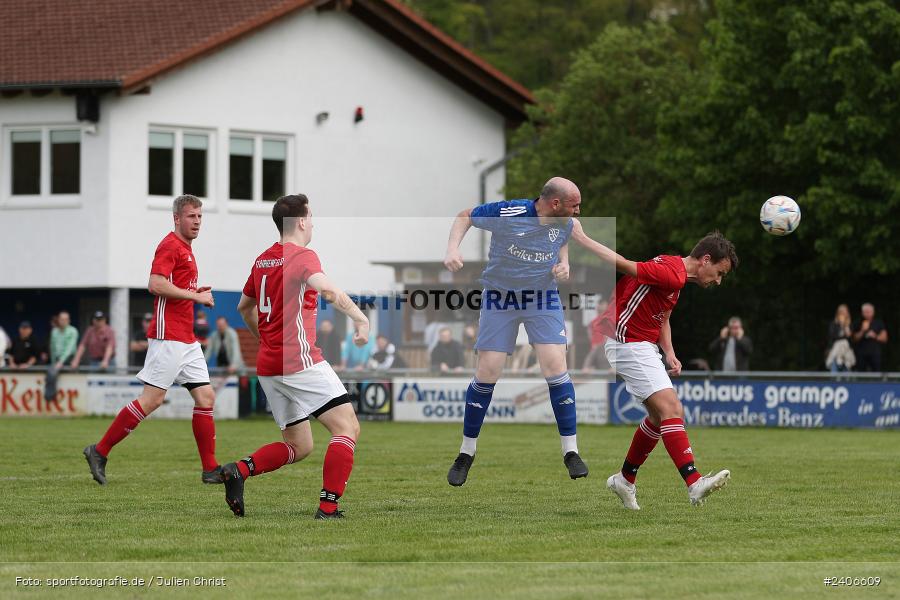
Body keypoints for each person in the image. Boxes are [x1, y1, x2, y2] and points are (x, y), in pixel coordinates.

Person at [222, 194, 368, 520]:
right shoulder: (302, 256)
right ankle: (328, 508)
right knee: (347, 428)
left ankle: (238, 471)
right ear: (301, 221)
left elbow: (243, 308)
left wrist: (264, 338)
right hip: (299, 362)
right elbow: (328, 291)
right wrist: (361, 318)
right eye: (311, 217)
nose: (313, 223)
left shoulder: (262, 260)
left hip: (269, 365)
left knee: (299, 446)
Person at [572, 223, 735, 509]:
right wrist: (582, 238)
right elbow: (623, 264)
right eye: (720, 273)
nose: (719, 281)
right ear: (705, 260)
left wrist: (669, 352)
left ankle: (624, 480)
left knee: (660, 418)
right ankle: (694, 483)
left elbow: (662, 318)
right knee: (672, 409)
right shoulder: (671, 274)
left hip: (640, 344)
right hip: (627, 341)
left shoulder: (677, 277)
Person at [443, 177, 587, 486]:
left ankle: (571, 451)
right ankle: (466, 453)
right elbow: (465, 215)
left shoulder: (566, 223)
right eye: (575, 205)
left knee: (555, 367)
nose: (579, 212)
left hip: (542, 298)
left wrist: (564, 263)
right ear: (555, 204)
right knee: (488, 371)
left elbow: (562, 239)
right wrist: (452, 249)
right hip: (500, 297)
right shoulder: (509, 212)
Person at [84, 195, 219, 486]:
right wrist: (195, 296)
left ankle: (210, 469)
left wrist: (195, 290)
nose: (196, 222)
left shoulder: (187, 249)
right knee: (153, 399)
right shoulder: (170, 245)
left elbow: (176, 286)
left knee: (206, 397)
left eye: (199, 217)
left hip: (187, 338)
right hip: (169, 335)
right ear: (176, 218)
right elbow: (155, 284)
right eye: (191, 216)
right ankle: (99, 450)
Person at [851, 303, 888, 372]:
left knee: (876, 373)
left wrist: (875, 336)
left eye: (869, 312)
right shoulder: (857, 322)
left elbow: (885, 338)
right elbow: (854, 339)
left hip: (875, 353)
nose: (867, 314)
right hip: (861, 354)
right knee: (860, 374)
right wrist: (862, 331)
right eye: (865, 312)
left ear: (873, 312)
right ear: (862, 313)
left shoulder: (878, 323)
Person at [581, 300, 610, 371]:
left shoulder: (611, 322)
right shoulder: (592, 323)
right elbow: (590, 336)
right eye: (601, 305)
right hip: (597, 352)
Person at [825, 304, 854, 373]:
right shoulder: (833, 324)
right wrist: (840, 325)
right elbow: (832, 336)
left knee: (846, 368)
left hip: (846, 351)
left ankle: (847, 383)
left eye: (844, 312)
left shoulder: (850, 324)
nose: (843, 314)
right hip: (835, 350)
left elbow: (850, 337)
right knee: (834, 368)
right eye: (841, 312)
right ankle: (834, 383)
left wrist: (844, 325)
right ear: (838, 313)